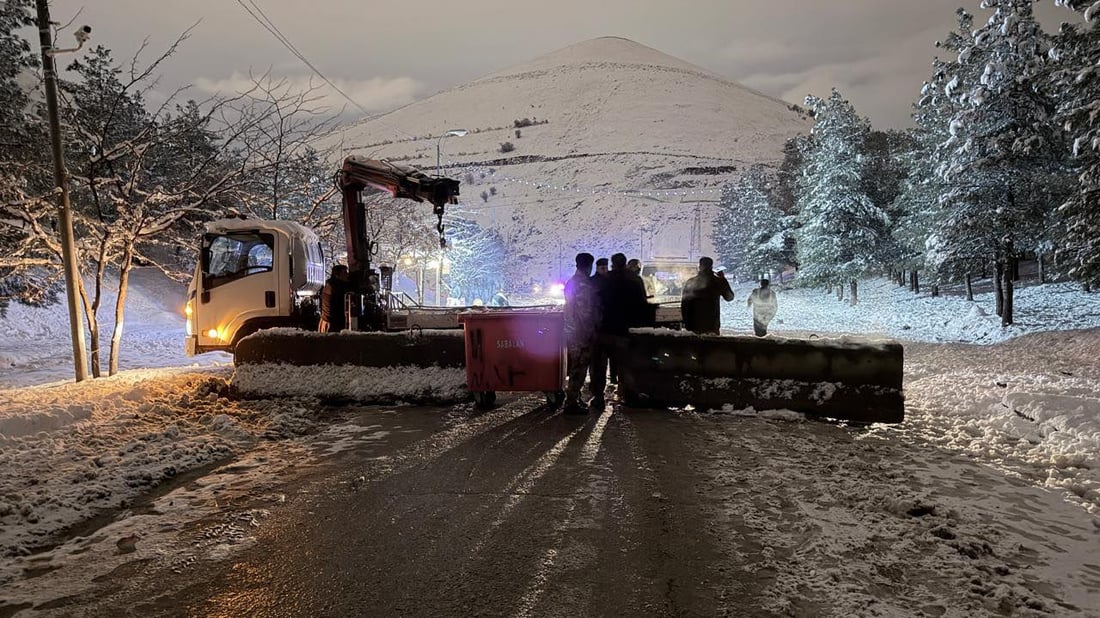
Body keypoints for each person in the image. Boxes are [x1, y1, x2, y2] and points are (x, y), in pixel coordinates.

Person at [591, 253, 650, 402]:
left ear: (612, 263)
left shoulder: (605, 279)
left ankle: (598, 396)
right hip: (624, 330)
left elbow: (595, 302)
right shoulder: (635, 280)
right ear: (625, 263)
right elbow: (642, 305)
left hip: (603, 328)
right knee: (626, 364)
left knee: (599, 366)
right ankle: (629, 395)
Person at [564, 253, 601, 414]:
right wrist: (591, 331)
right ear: (589, 266)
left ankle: (574, 398)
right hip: (581, 333)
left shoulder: (572, 282)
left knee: (575, 366)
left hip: (573, 331)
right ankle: (571, 402)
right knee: (579, 368)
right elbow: (585, 312)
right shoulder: (584, 284)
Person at [680, 257, 734, 335]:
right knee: (712, 346)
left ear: (699, 267)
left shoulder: (691, 282)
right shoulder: (717, 282)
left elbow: (685, 304)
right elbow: (729, 297)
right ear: (711, 267)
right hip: (712, 325)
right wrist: (723, 279)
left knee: (694, 347)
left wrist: (686, 323)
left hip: (694, 325)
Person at [319, 264, 350, 333]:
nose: (347, 275)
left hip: (328, 321)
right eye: (344, 273)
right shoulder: (336, 287)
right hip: (332, 323)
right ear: (337, 275)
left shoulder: (331, 284)